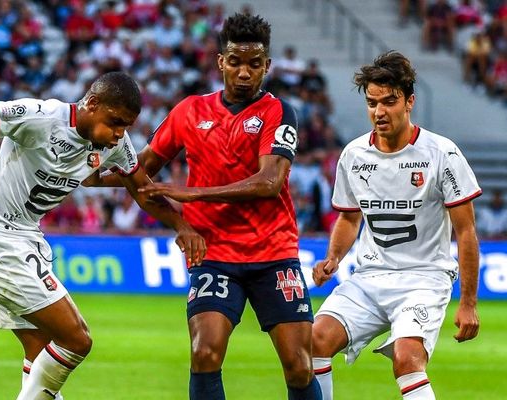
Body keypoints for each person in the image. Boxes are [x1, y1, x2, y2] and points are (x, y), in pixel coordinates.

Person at [0, 71, 206, 399]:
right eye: (115, 122)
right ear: (91, 104)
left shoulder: (114, 144)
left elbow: (142, 190)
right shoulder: (42, 117)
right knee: (77, 339)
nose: (119, 134)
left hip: (23, 238)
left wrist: (182, 226)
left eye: (126, 127)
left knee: (40, 351)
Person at [86, 13, 322, 400]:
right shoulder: (189, 111)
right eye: (235, 62)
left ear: (267, 67)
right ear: (220, 63)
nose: (244, 73)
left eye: (254, 64)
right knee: (204, 352)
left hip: (273, 253)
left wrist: (191, 194)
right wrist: (90, 175)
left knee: (299, 365)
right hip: (213, 254)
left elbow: (269, 183)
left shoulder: (278, 112)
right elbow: (140, 169)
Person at [311, 51, 481, 400]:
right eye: (372, 103)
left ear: (409, 101)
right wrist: (334, 257)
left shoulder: (441, 154)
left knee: (406, 358)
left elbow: (465, 231)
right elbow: (348, 216)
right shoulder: (354, 155)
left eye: (389, 101)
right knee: (314, 339)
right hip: (370, 278)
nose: (379, 111)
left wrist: (468, 303)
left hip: (424, 278)